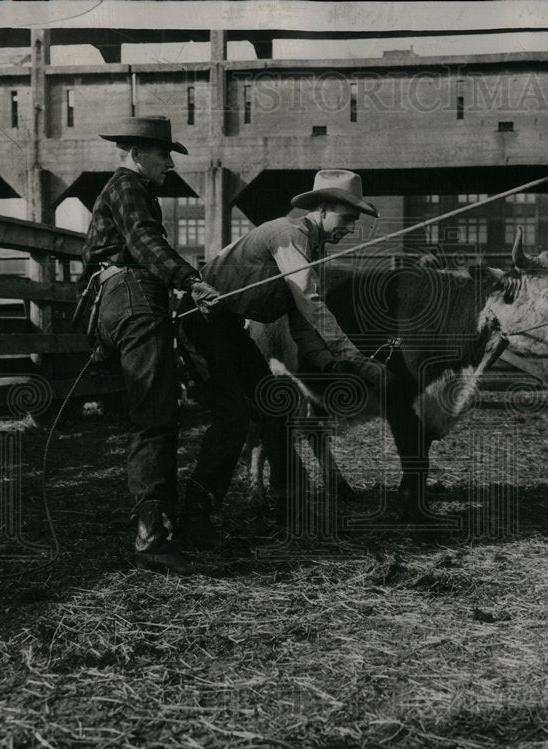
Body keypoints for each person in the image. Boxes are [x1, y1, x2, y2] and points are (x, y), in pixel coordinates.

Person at [177, 169, 386, 547]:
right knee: (234, 417)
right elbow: (312, 303)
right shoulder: (290, 236)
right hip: (200, 320)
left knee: (274, 408)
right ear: (322, 210)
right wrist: (356, 358)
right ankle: (194, 513)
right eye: (348, 218)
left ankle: (289, 505)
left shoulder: (313, 249)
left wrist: (329, 364)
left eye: (355, 221)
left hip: (229, 325)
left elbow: (301, 322)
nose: (351, 229)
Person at [81, 116, 221, 574]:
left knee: (153, 414)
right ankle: (153, 541)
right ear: (138, 153)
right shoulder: (129, 186)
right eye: (164, 155)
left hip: (123, 299)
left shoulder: (125, 189)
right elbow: (143, 240)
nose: (168, 165)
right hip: (135, 297)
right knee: (155, 417)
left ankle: (159, 529)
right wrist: (190, 280)